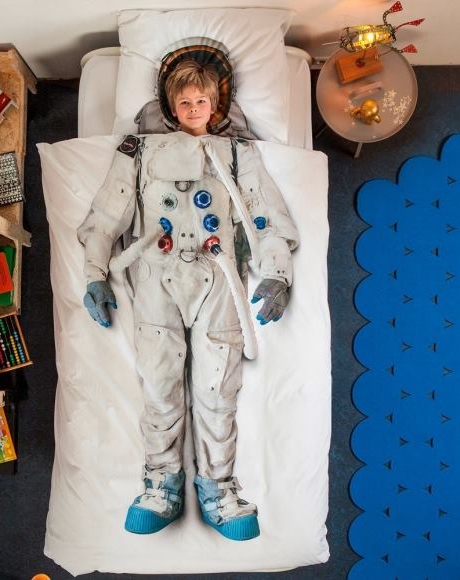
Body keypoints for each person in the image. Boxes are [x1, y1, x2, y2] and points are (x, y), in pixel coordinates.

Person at [77, 59, 299, 541]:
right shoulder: (138, 151)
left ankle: (218, 488)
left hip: (219, 279)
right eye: (184, 102)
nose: (194, 108)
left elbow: (263, 214)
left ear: (215, 105)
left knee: (218, 391)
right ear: (170, 107)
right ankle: (161, 484)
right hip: (155, 276)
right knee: (160, 386)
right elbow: (106, 216)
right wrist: (95, 275)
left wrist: (277, 274)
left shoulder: (236, 153)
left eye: (201, 100)